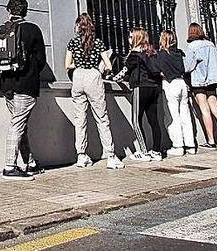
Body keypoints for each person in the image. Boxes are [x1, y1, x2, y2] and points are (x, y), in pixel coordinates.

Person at [64, 14, 124, 170]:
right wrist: (100, 68)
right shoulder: (98, 43)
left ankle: (81, 155)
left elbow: (67, 64)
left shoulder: (73, 43)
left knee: (80, 119)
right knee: (101, 117)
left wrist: (78, 63)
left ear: (78, 27)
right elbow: (109, 65)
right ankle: (110, 155)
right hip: (93, 76)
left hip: (78, 76)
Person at [0, 0, 46, 180]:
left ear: (8, 10)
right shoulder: (33, 30)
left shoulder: (2, 29)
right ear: (25, 11)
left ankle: (30, 163)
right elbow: (41, 60)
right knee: (17, 124)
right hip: (25, 84)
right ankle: (10, 166)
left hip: (6, 85)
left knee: (20, 123)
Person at [184, 24, 217, 149]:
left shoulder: (192, 47)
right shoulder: (211, 45)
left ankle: (211, 141)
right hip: (212, 81)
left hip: (199, 81)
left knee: (205, 110)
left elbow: (188, 67)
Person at [121, 29, 165, 161]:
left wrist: (113, 77)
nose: (128, 39)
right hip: (154, 88)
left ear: (136, 38)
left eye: (130, 37)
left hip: (140, 87)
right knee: (154, 120)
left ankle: (143, 151)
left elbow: (124, 71)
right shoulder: (152, 52)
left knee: (136, 121)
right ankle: (156, 151)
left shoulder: (134, 55)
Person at [154, 30, 196, 156]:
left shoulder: (161, 54)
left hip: (170, 83)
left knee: (172, 116)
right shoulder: (178, 53)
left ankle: (178, 145)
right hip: (181, 82)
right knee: (185, 115)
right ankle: (190, 144)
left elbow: (159, 71)